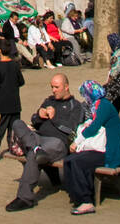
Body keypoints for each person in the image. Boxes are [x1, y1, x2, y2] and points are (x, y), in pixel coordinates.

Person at [5, 72, 84, 210]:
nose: (53, 90)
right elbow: (34, 121)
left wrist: (54, 118)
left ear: (66, 87)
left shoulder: (75, 106)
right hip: (38, 137)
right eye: (52, 87)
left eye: (56, 87)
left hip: (57, 142)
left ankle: (25, 198)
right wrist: (39, 116)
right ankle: (36, 148)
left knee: (33, 156)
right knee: (17, 123)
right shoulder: (49, 100)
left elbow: (72, 130)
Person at [61, 80, 120, 215]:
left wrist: (76, 142)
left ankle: (86, 201)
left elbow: (94, 128)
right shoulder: (98, 105)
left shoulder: (104, 105)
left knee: (78, 162)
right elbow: (93, 122)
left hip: (110, 152)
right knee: (69, 160)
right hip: (101, 149)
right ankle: (76, 195)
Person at [0, 41, 24, 159]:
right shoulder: (15, 65)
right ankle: (15, 149)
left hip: (2, 103)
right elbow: (21, 82)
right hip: (15, 102)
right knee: (14, 128)